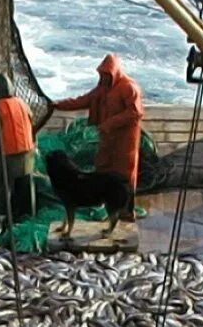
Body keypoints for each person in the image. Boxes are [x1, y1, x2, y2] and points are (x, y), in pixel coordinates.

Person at [53, 54, 143, 213]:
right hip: (107, 138)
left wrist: (108, 123)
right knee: (102, 169)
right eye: (102, 75)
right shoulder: (102, 88)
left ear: (114, 73)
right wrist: (58, 105)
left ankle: (127, 211)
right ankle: (103, 204)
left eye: (107, 75)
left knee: (124, 176)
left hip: (124, 141)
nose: (104, 78)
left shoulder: (128, 87)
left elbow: (135, 113)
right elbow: (83, 100)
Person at [0, 73, 37, 223]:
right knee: (26, 187)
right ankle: (27, 218)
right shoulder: (22, 104)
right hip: (28, 153)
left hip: (7, 154)